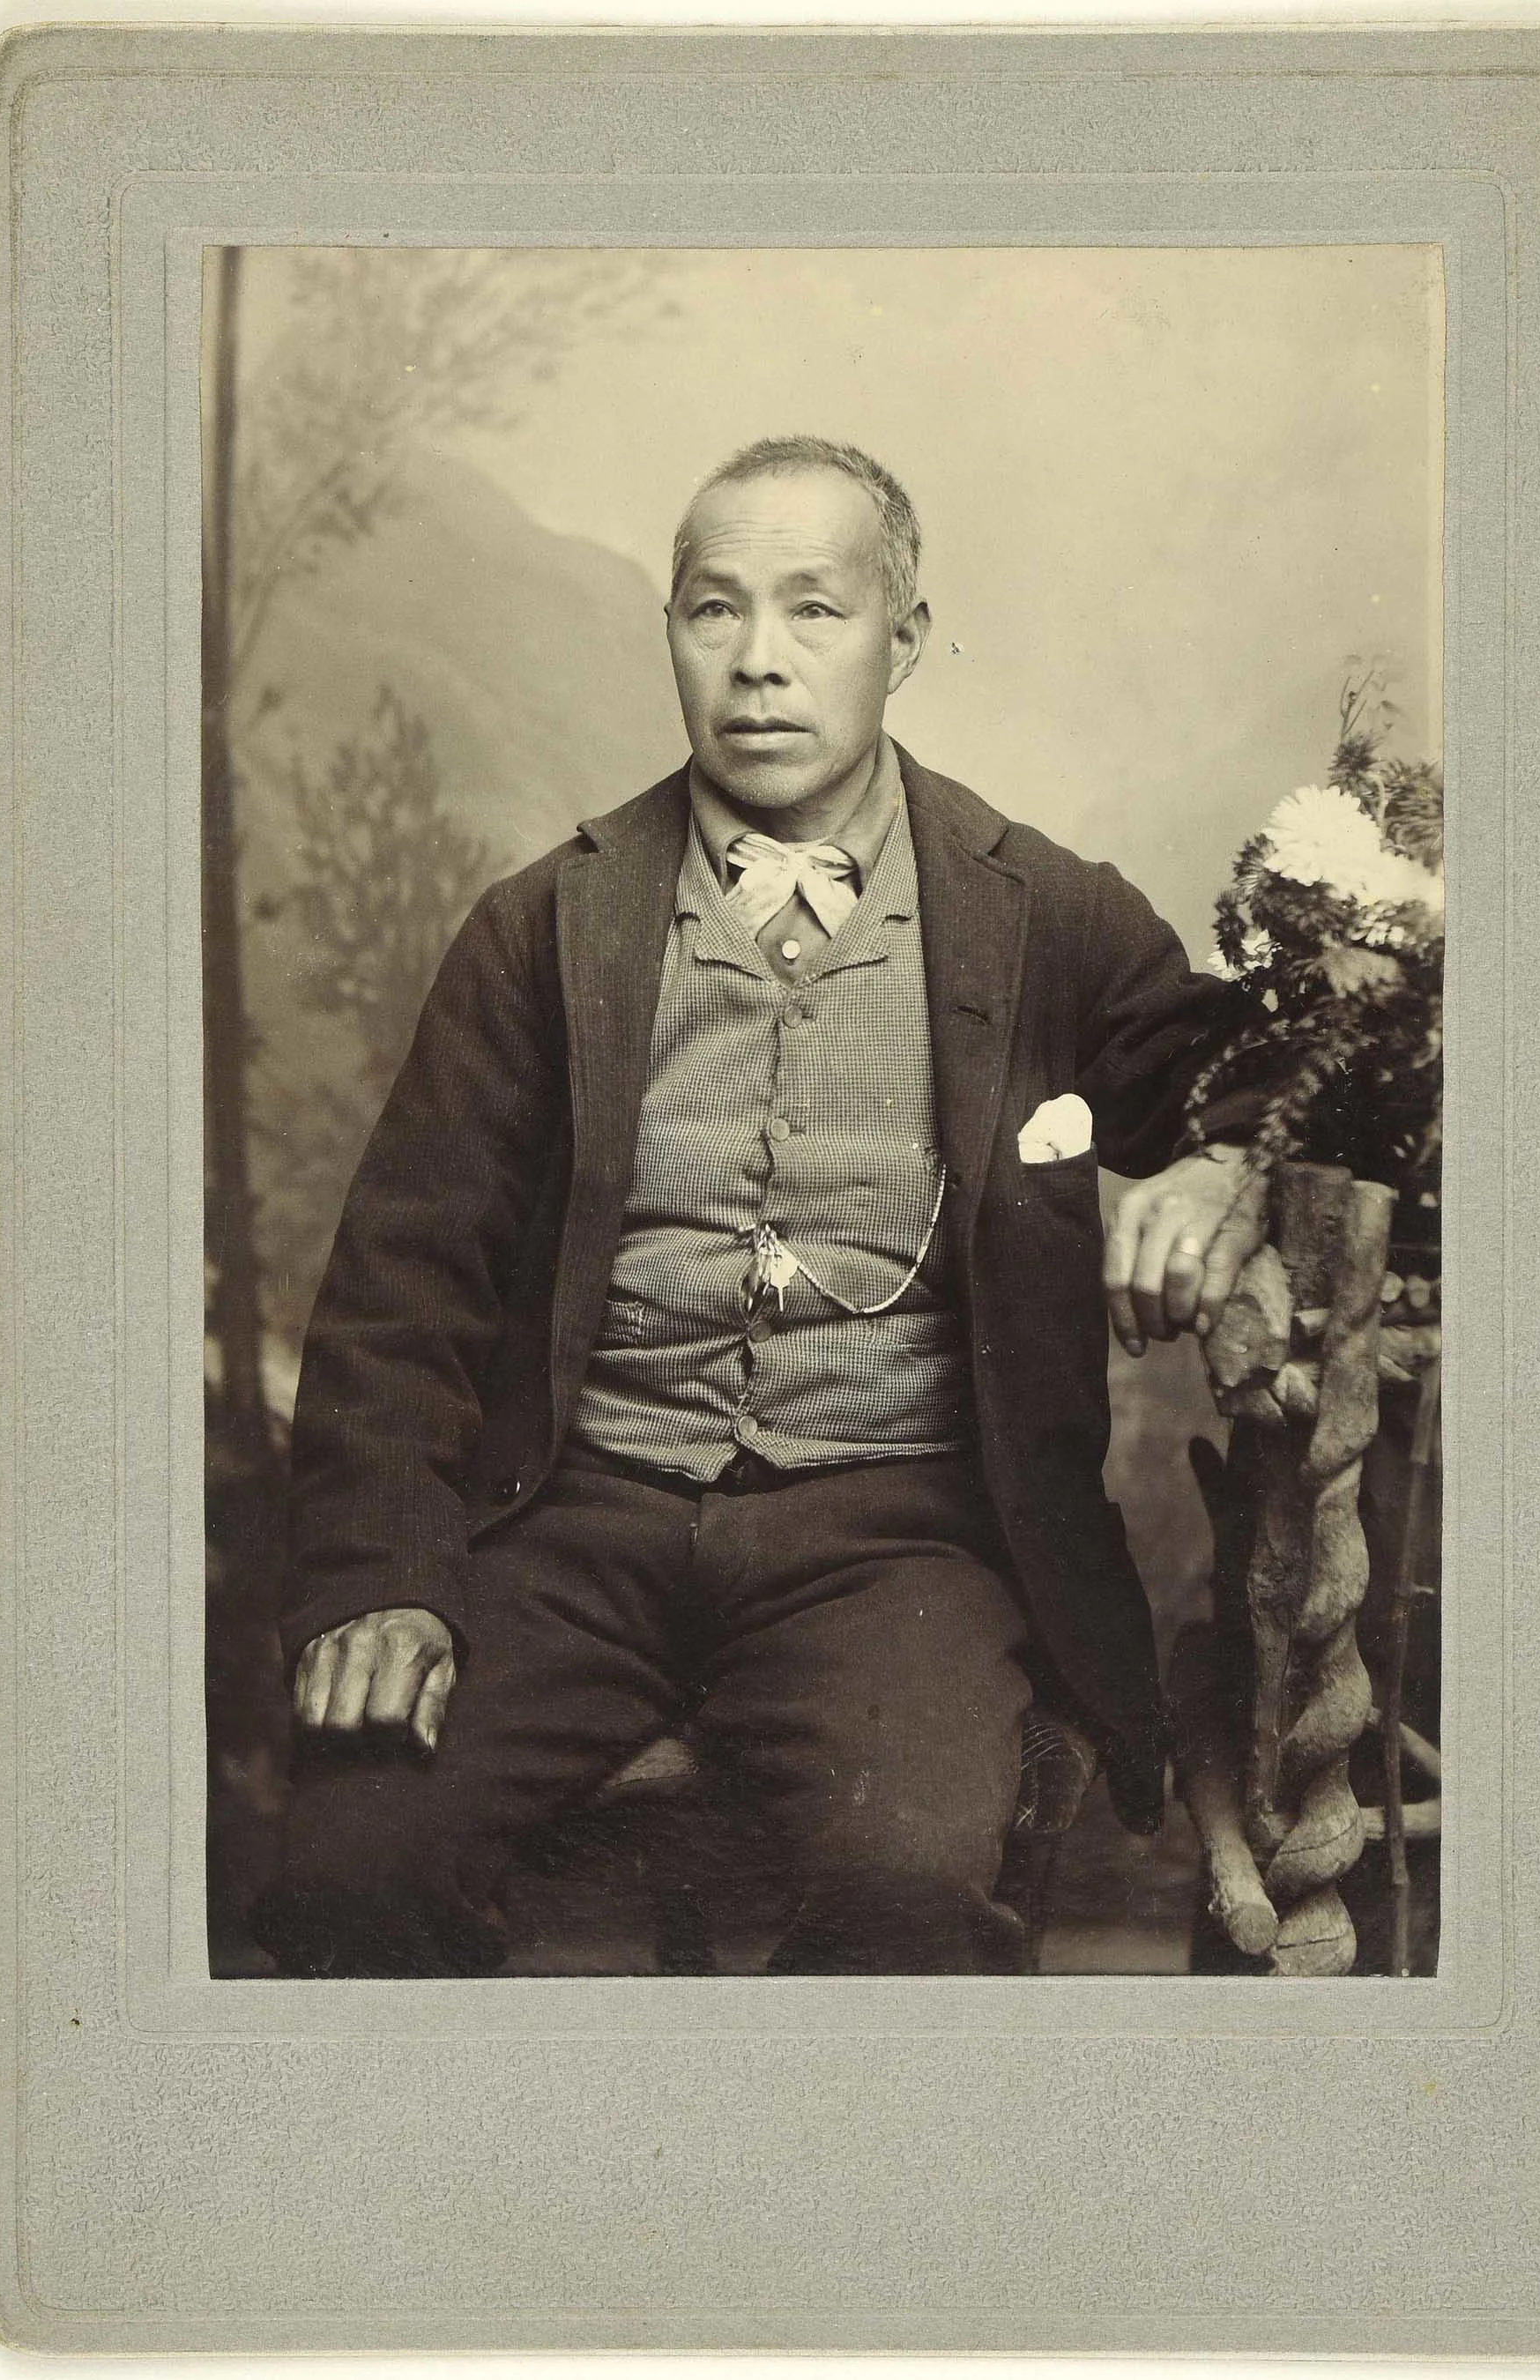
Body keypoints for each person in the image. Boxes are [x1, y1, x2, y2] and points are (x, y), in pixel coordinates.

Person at [252, 435, 1267, 1979]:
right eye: (713, 610)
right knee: (353, 1867)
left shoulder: (1040, 914)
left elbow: (1247, 1083)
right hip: (574, 1523)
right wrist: (382, 1578)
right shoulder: (549, 925)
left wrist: (1216, 1163)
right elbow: (404, 1294)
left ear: (903, 640)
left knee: (909, 1883)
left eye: (815, 610)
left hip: (897, 1543)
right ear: (670, 633)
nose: (759, 664)